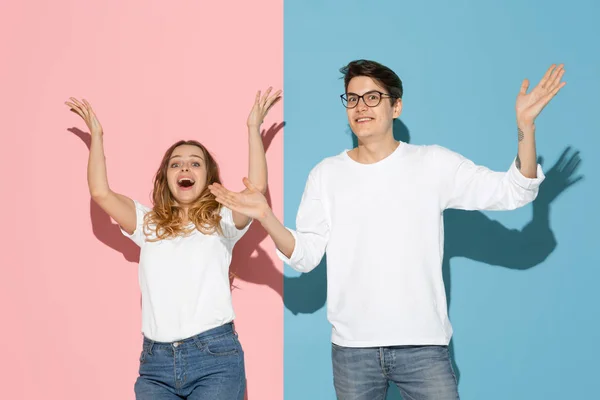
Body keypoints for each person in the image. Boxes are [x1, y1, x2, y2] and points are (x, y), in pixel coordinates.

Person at [208, 60, 565, 399]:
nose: (360, 106)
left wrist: (525, 126)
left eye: (372, 97)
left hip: (423, 346)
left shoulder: (432, 164)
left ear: (396, 107)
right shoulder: (326, 175)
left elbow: (513, 191)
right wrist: (266, 216)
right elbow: (304, 257)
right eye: (352, 98)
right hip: (352, 352)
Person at [65, 88, 281, 400]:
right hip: (156, 365)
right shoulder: (146, 223)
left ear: (208, 177)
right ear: (165, 176)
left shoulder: (222, 221)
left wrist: (252, 128)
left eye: (195, 163)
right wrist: (97, 136)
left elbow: (256, 189)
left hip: (215, 359)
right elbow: (101, 193)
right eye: (176, 164)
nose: (185, 169)